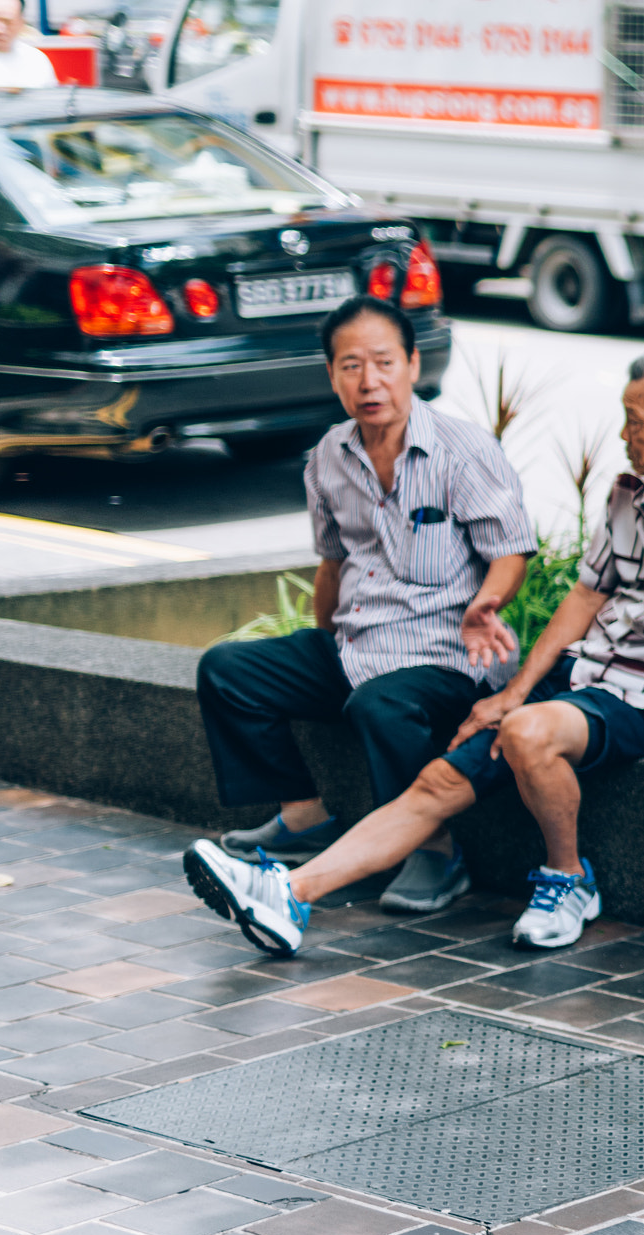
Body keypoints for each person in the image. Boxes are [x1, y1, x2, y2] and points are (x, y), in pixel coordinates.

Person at [183, 343, 644, 957]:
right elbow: (584, 599)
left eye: (635, 421)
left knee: (530, 733)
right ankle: (289, 892)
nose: (624, 436)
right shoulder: (629, 494)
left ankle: (569, 879)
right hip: (589, 676)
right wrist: (511, 690)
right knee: (443, 775)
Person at [193, 296, 533, 923]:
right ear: (332, 375)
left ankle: (436, 849)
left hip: (444, 651)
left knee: (381, 703)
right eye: (351, 366)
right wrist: (317, 649)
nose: (369, 381)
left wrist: (488, 603)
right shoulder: (328, 455)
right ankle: (305, 815)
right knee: (226, 670)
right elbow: (332, 563)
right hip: (359, 646)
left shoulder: (462, 450)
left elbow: (510, 551)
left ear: (412, 363)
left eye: (383, 362)